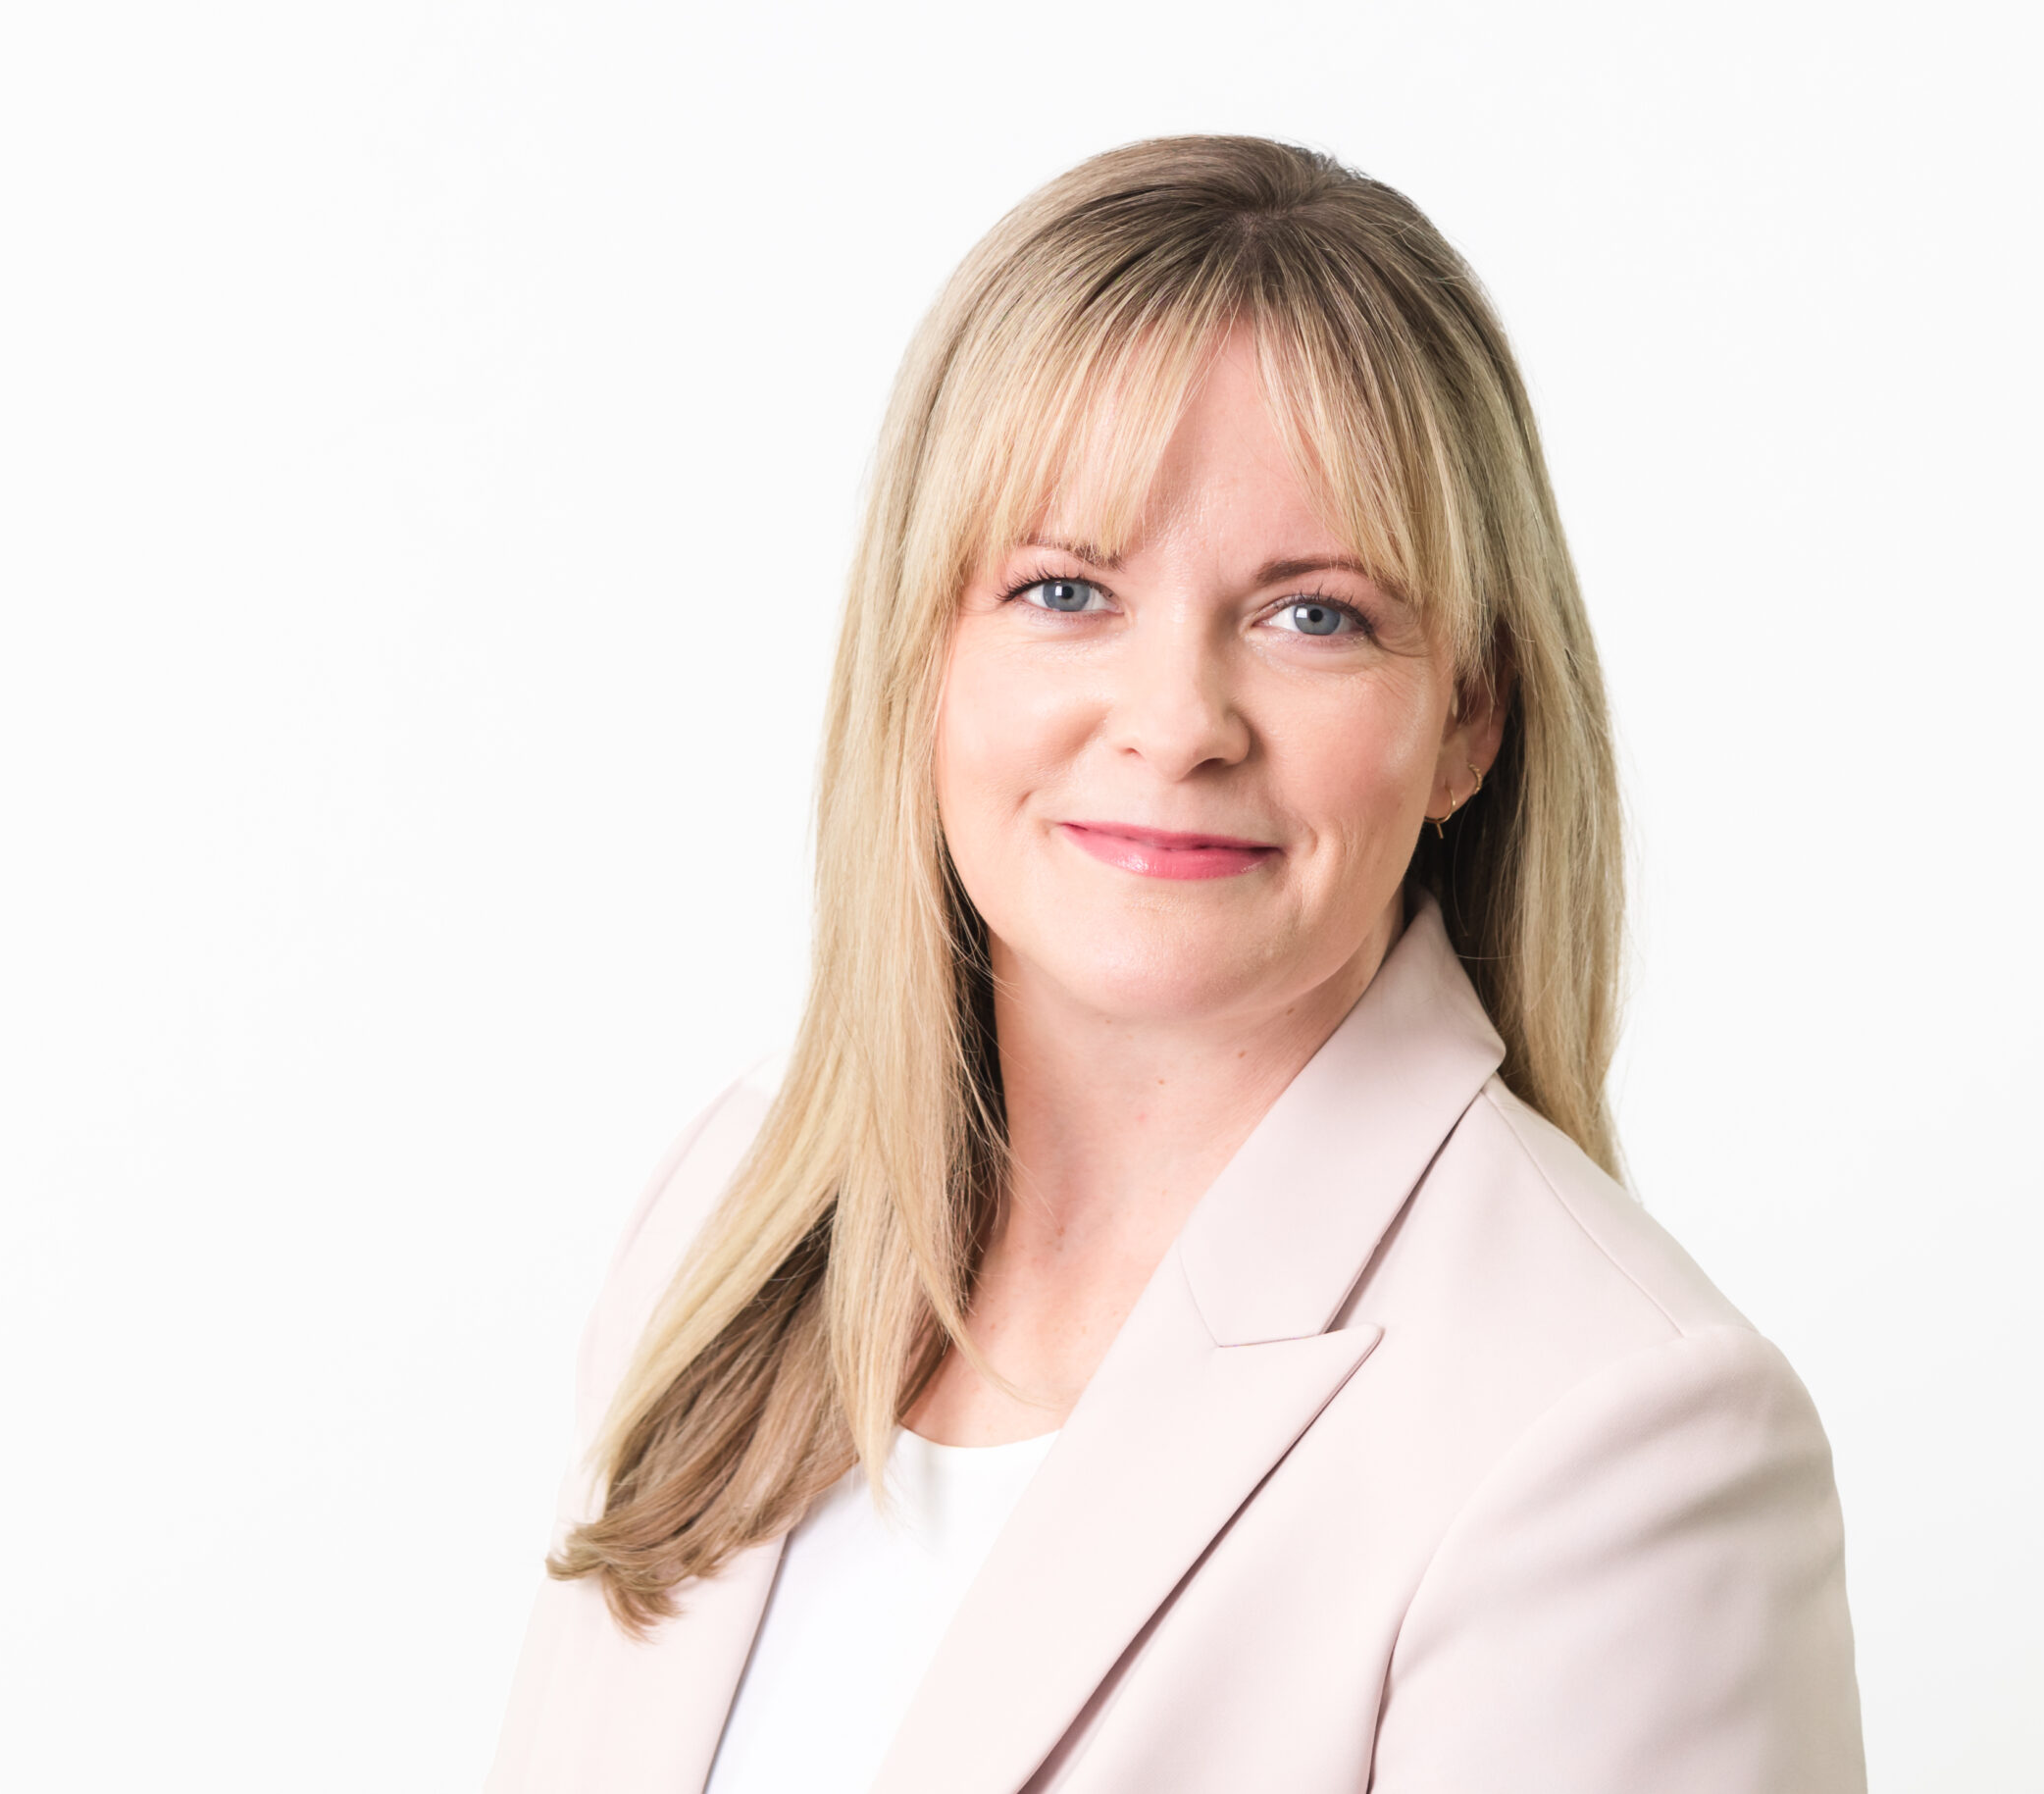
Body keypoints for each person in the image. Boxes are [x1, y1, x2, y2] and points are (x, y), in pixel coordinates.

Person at [486, 135, 1865, 1793]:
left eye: (1315, 615)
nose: (1175, 722)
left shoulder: (1614, 1434)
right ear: (923, 657)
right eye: (1065, 589)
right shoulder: (732, 1222)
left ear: (1469, 715)